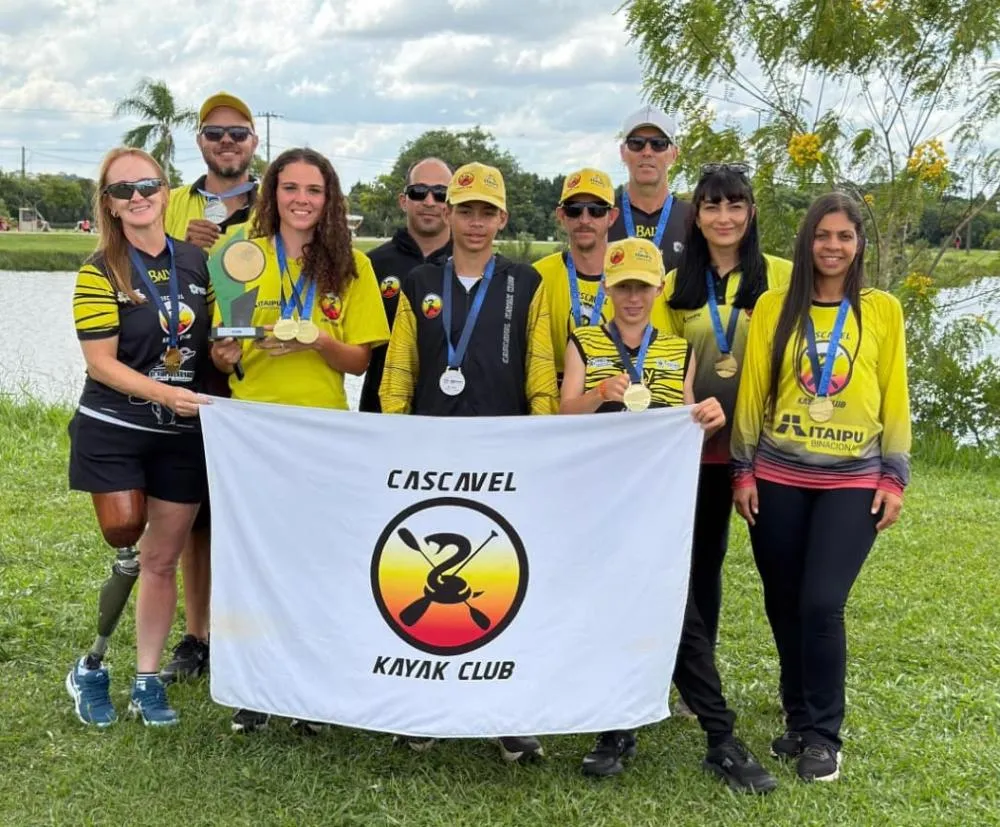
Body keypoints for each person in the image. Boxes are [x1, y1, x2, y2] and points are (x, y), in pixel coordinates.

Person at [560, 237, 777, 793]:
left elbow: (683, 418)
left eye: (643, 286)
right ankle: (620, 728)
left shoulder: (677, 348)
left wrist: (706, 414)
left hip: (659, 506)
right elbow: (564, 414)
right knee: (613, 614)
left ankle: (717, 735)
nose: (633, 297)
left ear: (660, 289)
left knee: (679, 614)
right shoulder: (584, 341)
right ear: (608, 289)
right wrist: (597, 396)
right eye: (623, 287)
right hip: (600, 505)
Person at [379, 162, 557, 762]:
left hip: (504, 454)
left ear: (502, 218)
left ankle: (508, 715)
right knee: (424, 577)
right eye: (465, 211)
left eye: (487, 213)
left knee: (502, 576)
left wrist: (542, 439)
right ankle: (424, 708)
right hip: (431, 454)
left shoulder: (527, 283)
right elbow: (399, 369)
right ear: (448, 215)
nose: (475, 223)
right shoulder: (419, 283)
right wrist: (394, 437)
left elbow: (539, 370)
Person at [731, 193, 911, 782]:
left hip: (852, 479)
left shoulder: (881, 310)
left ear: (859, 245)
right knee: (783, 602)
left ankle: (824, 735)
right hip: (778, 474)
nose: (832, 246)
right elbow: (754, 392)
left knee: (821, 603)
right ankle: (797, 717)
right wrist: (742, 470)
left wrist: (895, 475)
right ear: (806, 241)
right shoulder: (775, 307)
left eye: (845, 237)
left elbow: (895, 396)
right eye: (822, 235)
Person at [210, 147, 389, 732]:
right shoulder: (239, 255)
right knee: (255, 561)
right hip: (255, 428)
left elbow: (360, 361)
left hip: (321, 429)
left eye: (314, 190)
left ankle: (314, 691)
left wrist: (315, 340)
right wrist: (226, 350)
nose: (302, 200)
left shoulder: (350, 266)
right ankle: (254, 689)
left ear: (329, 198)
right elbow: (223, 345)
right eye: (290, 188)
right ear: (273, 194)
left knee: (318, 561)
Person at [65, 148, 213, 727]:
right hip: (116, 429)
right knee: (127, 542)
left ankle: (147, 680)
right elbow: (101, 363)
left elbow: (215, 342)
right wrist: (165, 395)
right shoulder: (98, 271)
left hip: (182, 434)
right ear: (109, 203)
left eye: (146, 184)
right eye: (123, 190)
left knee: (162, 558)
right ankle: (92, 667)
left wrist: (226, 352)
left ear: (165, 189)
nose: (137, 196)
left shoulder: (199, 263)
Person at [653, 163, 791, 646]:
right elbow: (663, 367)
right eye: (712, 206)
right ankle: (699, 675)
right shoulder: (673, 285)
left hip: (771, 448)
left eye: (735, 205)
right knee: (701, 563)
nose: (724, 217)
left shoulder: (784, 277)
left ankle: (795, 685)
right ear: (697, 216)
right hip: (702, 449)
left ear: (751, 214)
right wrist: (693, 415)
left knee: (782, 569)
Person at [159, 91, 260, 685]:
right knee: (195, 514)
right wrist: (184, 251)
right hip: (186, 373)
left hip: (253, 373)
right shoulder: (169, 203)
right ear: (200, 140)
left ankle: (254, 631)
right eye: (216, 133)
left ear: (253, 143)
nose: (227, 142)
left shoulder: (275, 204)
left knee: (252, 515)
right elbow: (131, 268)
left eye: (238, 133)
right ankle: (197, 636)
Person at [358, 157, 453, 412]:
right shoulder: (372, 264)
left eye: (441, 194)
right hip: (381, 411)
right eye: (419, 192)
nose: (430, 202)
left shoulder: (472, 266)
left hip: (449, 410)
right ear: (403, 201)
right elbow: (357, 353)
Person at [533, 167, 618, 384]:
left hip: (614, 401)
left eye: (597, 210)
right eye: (574, 210)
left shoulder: (632, 278)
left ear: (612, 216)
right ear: (561, 215)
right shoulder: (537, 276)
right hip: (554, 402)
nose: (585, 219)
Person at [608, 105, 693, 273]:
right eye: (636, 143)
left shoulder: (694, 219)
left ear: (674, 153)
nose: (647, 152)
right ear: (623, 152)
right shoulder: (602, 218)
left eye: (658, 144)